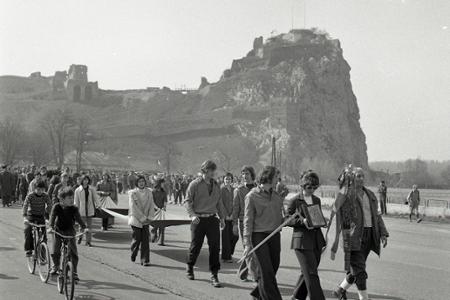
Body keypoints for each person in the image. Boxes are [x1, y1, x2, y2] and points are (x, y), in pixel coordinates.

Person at [332, 167, 389, 300]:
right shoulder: (346, 195)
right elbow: (338, 207)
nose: (361, 178)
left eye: (362, 176)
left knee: (356, 270)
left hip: (369, 235)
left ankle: (340, 290)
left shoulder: (370, 195)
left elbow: (377, 216)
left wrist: (383, 233)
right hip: (353, 237)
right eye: (358, 176)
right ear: (352, 178)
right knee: (360, 272)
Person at [243, 166, 284, 300]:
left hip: (275, 235)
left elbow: (280, 217)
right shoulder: (252, 196)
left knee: (273, 268)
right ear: (269, 178)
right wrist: (247, 243)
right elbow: (247, 221)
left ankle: (258, 294)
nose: (278, 179)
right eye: (276, 177)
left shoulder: (277, 196)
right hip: (259, 236)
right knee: (266, 271)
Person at [285, 170, 326, 300]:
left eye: (315, 187)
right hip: (302, 242)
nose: (312, 190)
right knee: (312, 273)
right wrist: (301, 221)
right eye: (309, 187)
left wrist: (322, 221)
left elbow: (316, 218)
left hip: (317, 241)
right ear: (302, 185)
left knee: (307, 272)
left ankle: (296, 297)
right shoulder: (294, 201)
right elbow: (286, 220)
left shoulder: (317, 200)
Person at [184, 160, 225, 288]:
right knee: (196, 246)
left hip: (212, 219)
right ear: (204, 170)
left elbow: (219, 202)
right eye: (211, 170)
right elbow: (187, 201)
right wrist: (193, 215)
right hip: (198, 220)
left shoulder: (217, 185)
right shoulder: (194, 184)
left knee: (215, 247)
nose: (213, 172)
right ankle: (190, 267)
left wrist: (222, 218)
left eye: (214, 170)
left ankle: (214, 274)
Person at [48, 187, 87, 282]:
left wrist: (84, 227)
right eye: (69, 198)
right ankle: (56, 266)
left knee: (73, 252)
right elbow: (52, 217)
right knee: (55, 250)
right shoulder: (57, 206)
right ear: (62, 199)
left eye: (72, 198)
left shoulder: (74, 208)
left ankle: (74, 272)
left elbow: (78, 218)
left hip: (70, 231)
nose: (71, 200)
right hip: (58, 230)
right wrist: (51, 227)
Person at [232, 165, 257, 281]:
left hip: (257, 222)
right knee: (248, 247)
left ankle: (242, 272)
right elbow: (235, 208)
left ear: (252, 175)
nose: (245, 176)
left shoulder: (258, 189)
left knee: (253, 248)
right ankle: (255, 277)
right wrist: (235, 224)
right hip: (244, 222)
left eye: (247, 174)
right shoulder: (239, 190)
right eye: (243, 174)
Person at [128, 175, 155, 266]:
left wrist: (150, 217)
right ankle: (134, 253)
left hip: (146, 220)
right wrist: (142, 218)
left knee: (145, 241)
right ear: (136, 183)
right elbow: (133, 207)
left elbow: (151, 204)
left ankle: (145, 260)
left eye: (143, 181)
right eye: (139, 181)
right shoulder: (132, 193)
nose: (141, 183)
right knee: (137, 239)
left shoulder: (149, 192)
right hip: (136, 219)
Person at [23, 180, 52, 257]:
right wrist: (25, 217)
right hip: (31, 216)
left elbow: (49, 205)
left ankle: (43, 254)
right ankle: (28, 250)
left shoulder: (45, 195)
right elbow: (25, 205)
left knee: (43, 235)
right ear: (34, 189)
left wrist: (48, 215)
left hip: (41, 216)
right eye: (38, 189)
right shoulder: (30, 195)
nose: (40, 191)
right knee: (27, 230)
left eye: (42, 189)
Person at [74, 175, 98, 247]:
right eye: (84, 180)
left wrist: (98, 205)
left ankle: (88, 242)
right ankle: (80, 237)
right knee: (81, 226)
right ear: (82, 180)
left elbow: (95, 198)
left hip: (90, 210)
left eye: (87, 180)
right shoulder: (78, 190)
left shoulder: (92, 189)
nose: (86, 181)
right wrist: (75, 210)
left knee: (89, 227)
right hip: (81, 210)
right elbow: (76, 201)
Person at [220, 172, 238, 263]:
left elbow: (236, 203)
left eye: (229, 179)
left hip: (233, 216)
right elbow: (220, 203)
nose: (228, 181)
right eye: (226, 179)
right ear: (223, 180)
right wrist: (225, 215)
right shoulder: (221, 190)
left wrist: (233, 214)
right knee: (226, 237)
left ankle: (229, 252)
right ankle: (226, 257)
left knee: (235, 236)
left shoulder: (234, 190)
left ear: (232, 180)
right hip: (224, 217)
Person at [151, 178, 168, 246]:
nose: (164, 184)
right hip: (154, 210)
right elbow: (151, 201)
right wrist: (156, 208)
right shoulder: (153, 192)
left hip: (162, 211)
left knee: (162, 226)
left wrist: (164, 207)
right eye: (163, 183)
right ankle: (153, 234)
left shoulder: (164, 192)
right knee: (155, 225)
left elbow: (165, 201)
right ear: (159, 183)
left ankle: (161, 241)